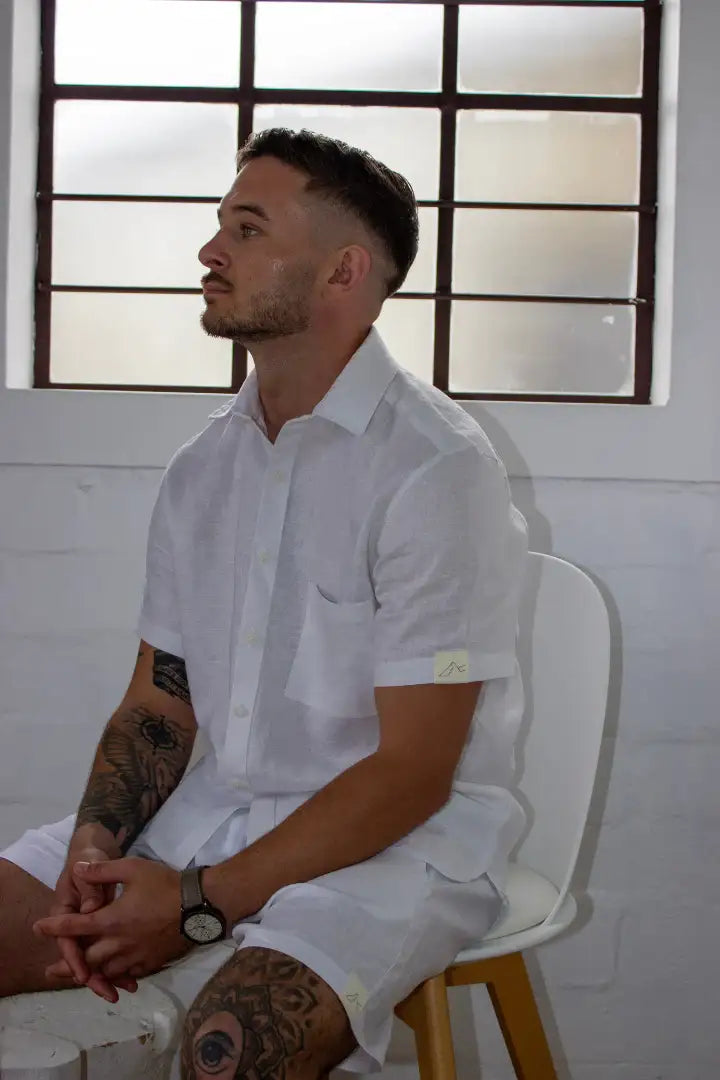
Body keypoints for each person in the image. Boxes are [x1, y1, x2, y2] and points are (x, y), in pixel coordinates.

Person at [0, 128, 528, 1079]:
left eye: (246, 229)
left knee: (230, 1052)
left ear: (343, 271)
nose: (210, 253)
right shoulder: (205, 466)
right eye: (219, 227)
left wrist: (198, 905)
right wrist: (94, 851)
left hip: (392, 849)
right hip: (208, 817)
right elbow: (161, 700)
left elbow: (412, 773)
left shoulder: (436, 468)